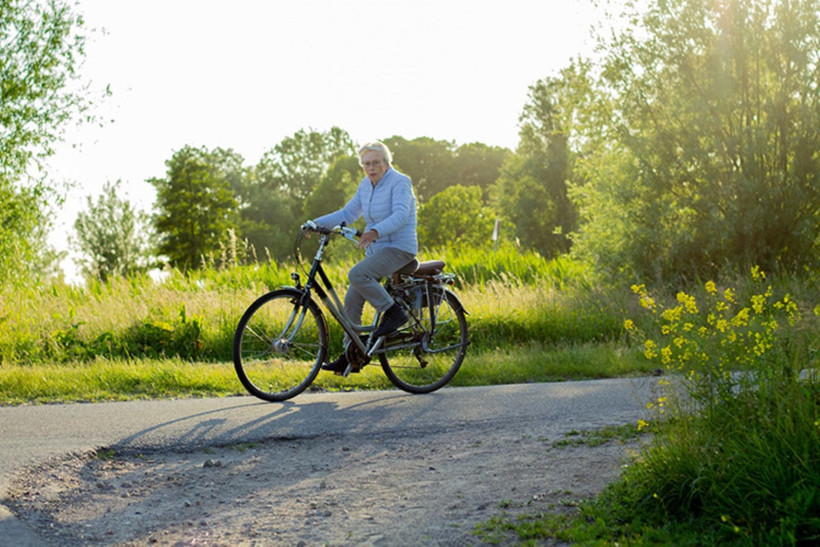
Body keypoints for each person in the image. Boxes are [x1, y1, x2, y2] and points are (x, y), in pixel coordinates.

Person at [310, 141, 418, 373]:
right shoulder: (365, 186)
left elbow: (401, 214)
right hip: (378, 251)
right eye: (366, 164)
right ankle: (352, 355)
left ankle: (393, 313)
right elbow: (348, 213)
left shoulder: (401, 182)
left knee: (357, 274)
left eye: (376, 163)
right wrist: (315, 223)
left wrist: (375, 231)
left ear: (386, 163)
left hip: (400, 248)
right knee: (352, 301)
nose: (371, 167)